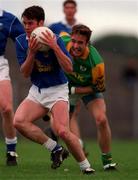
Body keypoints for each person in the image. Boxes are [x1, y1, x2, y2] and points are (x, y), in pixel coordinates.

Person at [14, 6, 94, 174]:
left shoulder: (55, 39)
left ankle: (86, 167)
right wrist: (32, 53)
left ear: (41, 23)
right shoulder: (21, 41)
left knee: (63, 131)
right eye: (25, 23)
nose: (27, 27)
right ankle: (56, 149)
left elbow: (69, 67)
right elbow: (25, 73)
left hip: (57, 90)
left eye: (31, 23)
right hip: (37, 91)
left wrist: (55, 47)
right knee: (19, 122)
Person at [60, 24, 117, 170]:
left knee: (101, 119)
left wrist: (75, 89)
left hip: (87, 89)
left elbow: (99, 87)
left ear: (87, 44)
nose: (76, 46)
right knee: (61, 128)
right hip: (64, 89)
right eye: (74, 41)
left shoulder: (96, 62)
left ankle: (107, 161)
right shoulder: (63, 41)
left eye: (81, 43)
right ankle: (58, 148)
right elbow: (58, 35)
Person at [45, 0, 88, 155]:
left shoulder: (81, 28)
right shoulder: (55, 27)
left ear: (75, 10)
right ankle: (68, 140)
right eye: (67, 7)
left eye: (72, 7)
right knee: (57, 111)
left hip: (75, 75)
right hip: (59, 75)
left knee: (73, 113)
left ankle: (78, 145)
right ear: (64, 10)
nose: (69, 10)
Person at [0, 9, 25, 165]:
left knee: (7, 109)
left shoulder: (8, 19)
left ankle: (11, 151)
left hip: (0, 65)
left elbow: (23, 41)